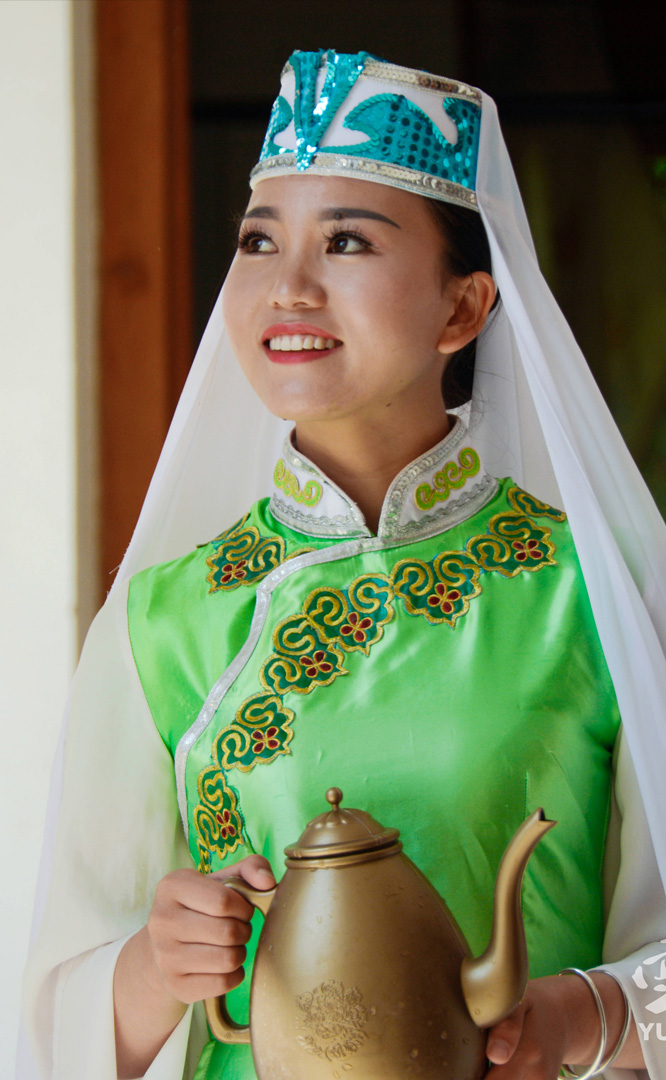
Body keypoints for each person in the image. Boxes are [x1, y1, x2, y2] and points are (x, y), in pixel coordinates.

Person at [21, 49, 666, 1080]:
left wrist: (583, 1015)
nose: (289, 287)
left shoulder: (592, 590)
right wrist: (153, 968)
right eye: (259, 240)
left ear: (463, 309)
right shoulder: (167, 620)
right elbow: (49, 1027)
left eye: (349, 240)